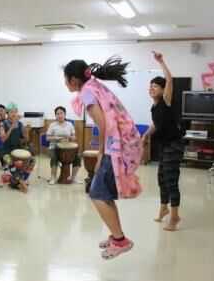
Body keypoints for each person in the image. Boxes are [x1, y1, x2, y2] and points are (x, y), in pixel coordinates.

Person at [65, 56, 143, 260]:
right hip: (123, 142)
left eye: (65, 79)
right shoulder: (94, 85)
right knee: (103, 193)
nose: (64, 83)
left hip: (115, 147)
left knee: (97, 193)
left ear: (73, 80)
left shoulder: (87, 92)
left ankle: (121, 241)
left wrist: (101, 152)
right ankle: (117, 236)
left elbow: (103, 124)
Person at [143, 51, 184, 231]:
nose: (151, 88)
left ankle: (175, 217)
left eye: (155, 86)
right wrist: (146, 135)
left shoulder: (166, 100)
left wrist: (161, 61)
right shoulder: (154, 107)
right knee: (161, 179)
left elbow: (170, 80)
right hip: (164, 144)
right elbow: (156, 124)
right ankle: (163, 209)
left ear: (162, 89)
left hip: (174, 145)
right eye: (150, 86)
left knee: (171, 181)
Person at [0, 103, 34, 193]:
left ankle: (18, 180)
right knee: (10, 161)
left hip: (18, 149)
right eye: (11, 112)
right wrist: (11, 128)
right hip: (5, 150)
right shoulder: (3, 124)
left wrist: (27, 131)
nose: (13, 114)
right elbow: (3, 140)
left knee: (32, 160)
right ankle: (21, 182)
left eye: (15, 112)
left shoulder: (20, 124)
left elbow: (26, 140)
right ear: (7, 113)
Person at [46, 106, 82, 185]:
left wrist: (71, 137)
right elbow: (47, 138)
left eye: (61, 113)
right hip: (54, 147)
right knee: (54, 158)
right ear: (55, 116)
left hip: (68, 147)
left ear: (65, 114)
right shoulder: (52, 125)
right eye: (57, 114)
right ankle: (53, 177)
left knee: (78, 157)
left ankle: (74, 177)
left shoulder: (69, 124)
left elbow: (74, 137)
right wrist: (55, 138)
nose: (59, 115)